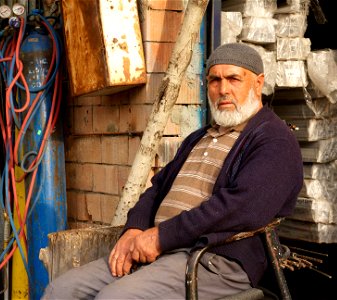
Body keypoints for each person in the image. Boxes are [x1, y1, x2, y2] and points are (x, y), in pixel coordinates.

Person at [42, 42, 303, 299]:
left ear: (258, 83)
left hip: (212, 258)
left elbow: (241, 208)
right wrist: (135, 228)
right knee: (61, 290)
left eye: (233, 79)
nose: (223, 89)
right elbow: (157, 188)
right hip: (163, 249)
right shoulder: (200, 136)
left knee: (116, 298)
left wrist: (161, 237)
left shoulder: (273, 139)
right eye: (214, 80)